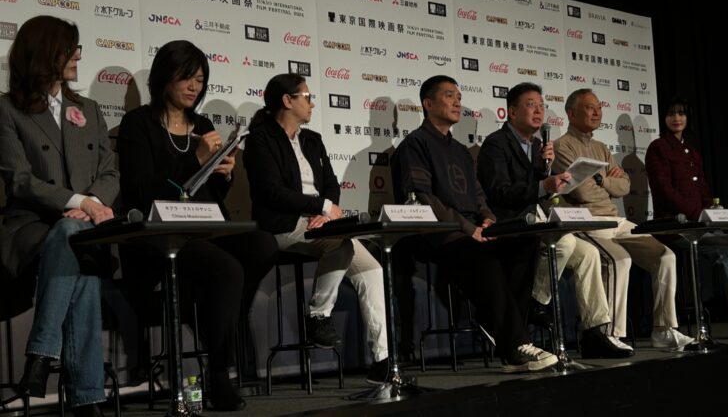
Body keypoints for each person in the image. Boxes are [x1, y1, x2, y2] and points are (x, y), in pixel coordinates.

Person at [117, 40, 277, 410]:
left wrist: (223, 173)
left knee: (262, 245)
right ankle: (219, 374)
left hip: (205, 227)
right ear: (164, 77)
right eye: (186, 77)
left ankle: (221, 310)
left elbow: (210, 194)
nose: (194, 86)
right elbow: (140, 192)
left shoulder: (202, 125)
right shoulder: (138, 124)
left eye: (200, 79)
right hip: (160, 235)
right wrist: (196, 160)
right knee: (227, 269)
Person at [391, 75, 557, 372]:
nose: (457, 102)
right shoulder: (415, 144)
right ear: (428, 104)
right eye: (449, 96)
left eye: (459, 96)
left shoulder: (460, 149)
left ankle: (510, 337)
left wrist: (488, 218)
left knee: (525, 244)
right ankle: (516, 345)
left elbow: (478, 194)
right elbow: (424, 199)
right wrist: (470, 229)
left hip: (472, 229)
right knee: (483, 255)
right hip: (438, 233)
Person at [0, 16, 119, 417]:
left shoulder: (89, 109)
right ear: (44, 53)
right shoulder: (7, 110)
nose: (77, 57)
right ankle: (86, 396)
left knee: (75, 241)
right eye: (70, 49)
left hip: (85, 226)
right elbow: (20, 180)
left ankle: (42, 355)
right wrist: (81, 202)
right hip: (31, 227)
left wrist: (92, 203)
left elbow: (110, 172)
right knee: (74, 240)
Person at [243, 73, 389, 384]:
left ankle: (382, 361)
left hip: (321, 225)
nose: (312, 104)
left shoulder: (313, 140)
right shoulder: (259, 140)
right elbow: (271, 192)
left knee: (372, 269)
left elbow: (331, 185)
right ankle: (319, 315)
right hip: (282, 226)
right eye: (307, 97)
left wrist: (327, 212)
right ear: (287, 100)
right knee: (340, 244)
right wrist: (321, 207)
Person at [476, 82, 632, 358]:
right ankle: (535, 303)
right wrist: (543, 184)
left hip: (536, 220)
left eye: (541, 105)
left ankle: (594, 331)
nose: (538, 111)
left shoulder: (539, 145)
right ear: (512, 112)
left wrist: (549, 179)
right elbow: (499, 192)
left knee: (588, 254)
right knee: (565, 243)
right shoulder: (496, 144)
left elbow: (540, 192)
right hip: (509, 222)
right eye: (531, 105)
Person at [553, 88, 693, 348]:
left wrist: (600, 180)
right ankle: (609, 335)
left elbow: (624, 187)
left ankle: (664, 330)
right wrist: (606, 180)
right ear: (571, 113)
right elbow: (581, 191)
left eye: (599, 107)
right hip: (588, 222)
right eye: (590, 107)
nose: (597, 112)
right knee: (620, 260)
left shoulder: (601, 148)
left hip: (615, 220)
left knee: (665, 256)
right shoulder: (562, 146)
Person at [645, 98, 728, 337]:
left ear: (688, 118)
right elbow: (663, 190)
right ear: (664, 118)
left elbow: (702, 189)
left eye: (681, 113)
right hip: (676, 226)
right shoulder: (659, 147)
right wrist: (697, 214)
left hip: (700, 224)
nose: (677, 118)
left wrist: (713, 209)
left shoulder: (692, 152)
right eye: (671, 113)